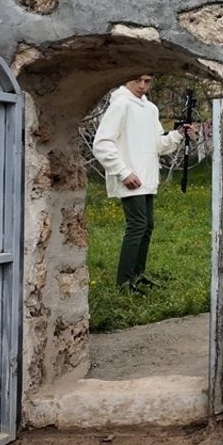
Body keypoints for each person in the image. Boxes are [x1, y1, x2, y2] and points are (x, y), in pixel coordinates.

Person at [92, 73, 189, 289]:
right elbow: (102, 143)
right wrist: (123, 172)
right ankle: (124, 282)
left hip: (146, 177)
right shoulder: (120, 104)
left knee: (147, 226)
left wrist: (178, 134)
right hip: (130, 177)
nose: (143, 86)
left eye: (148, 81)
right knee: (137, 225)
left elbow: (157, 144)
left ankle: (137, 275)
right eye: (138, 80)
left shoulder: (150, 108)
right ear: (127, 79)